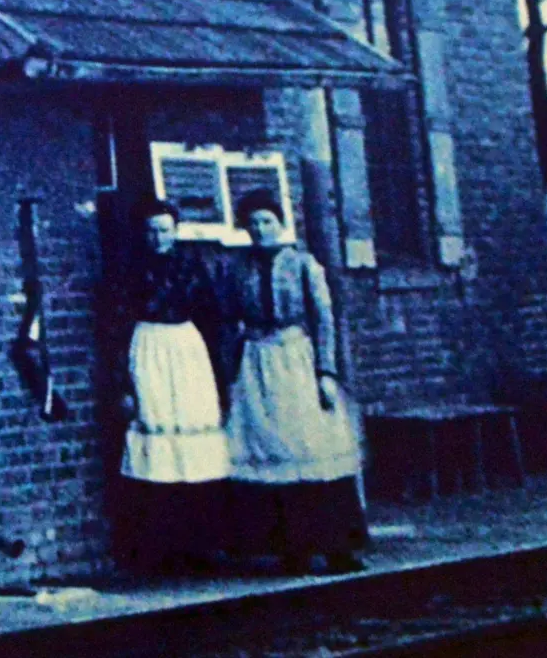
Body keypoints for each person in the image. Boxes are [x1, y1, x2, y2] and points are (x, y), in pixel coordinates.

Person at [221, 189, 368, 575]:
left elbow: (324, 319)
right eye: (253, 224)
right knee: (271, 451)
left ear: (280, 224)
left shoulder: (303, 265)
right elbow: (230, 319)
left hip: (297, 358)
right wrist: (234, 369)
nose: (260, 230)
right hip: (258, 363)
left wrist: (326, 372)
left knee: (314, 449)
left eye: (267, 222)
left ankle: (337, 548)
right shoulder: (239, 268)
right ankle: (292, 548)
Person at [103, 197, 231, 574]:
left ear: (176, 231)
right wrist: (121, 382)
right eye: (151, 230)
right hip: (149, 347)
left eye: (164, 230)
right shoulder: (129, 271)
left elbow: (212, 317)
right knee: (157, 442)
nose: (158, 237)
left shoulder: (193, 266)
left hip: (187, 350)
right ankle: (160, 547)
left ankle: (202, 544)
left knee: (194, 443)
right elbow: (114, 325)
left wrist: (219, 369)